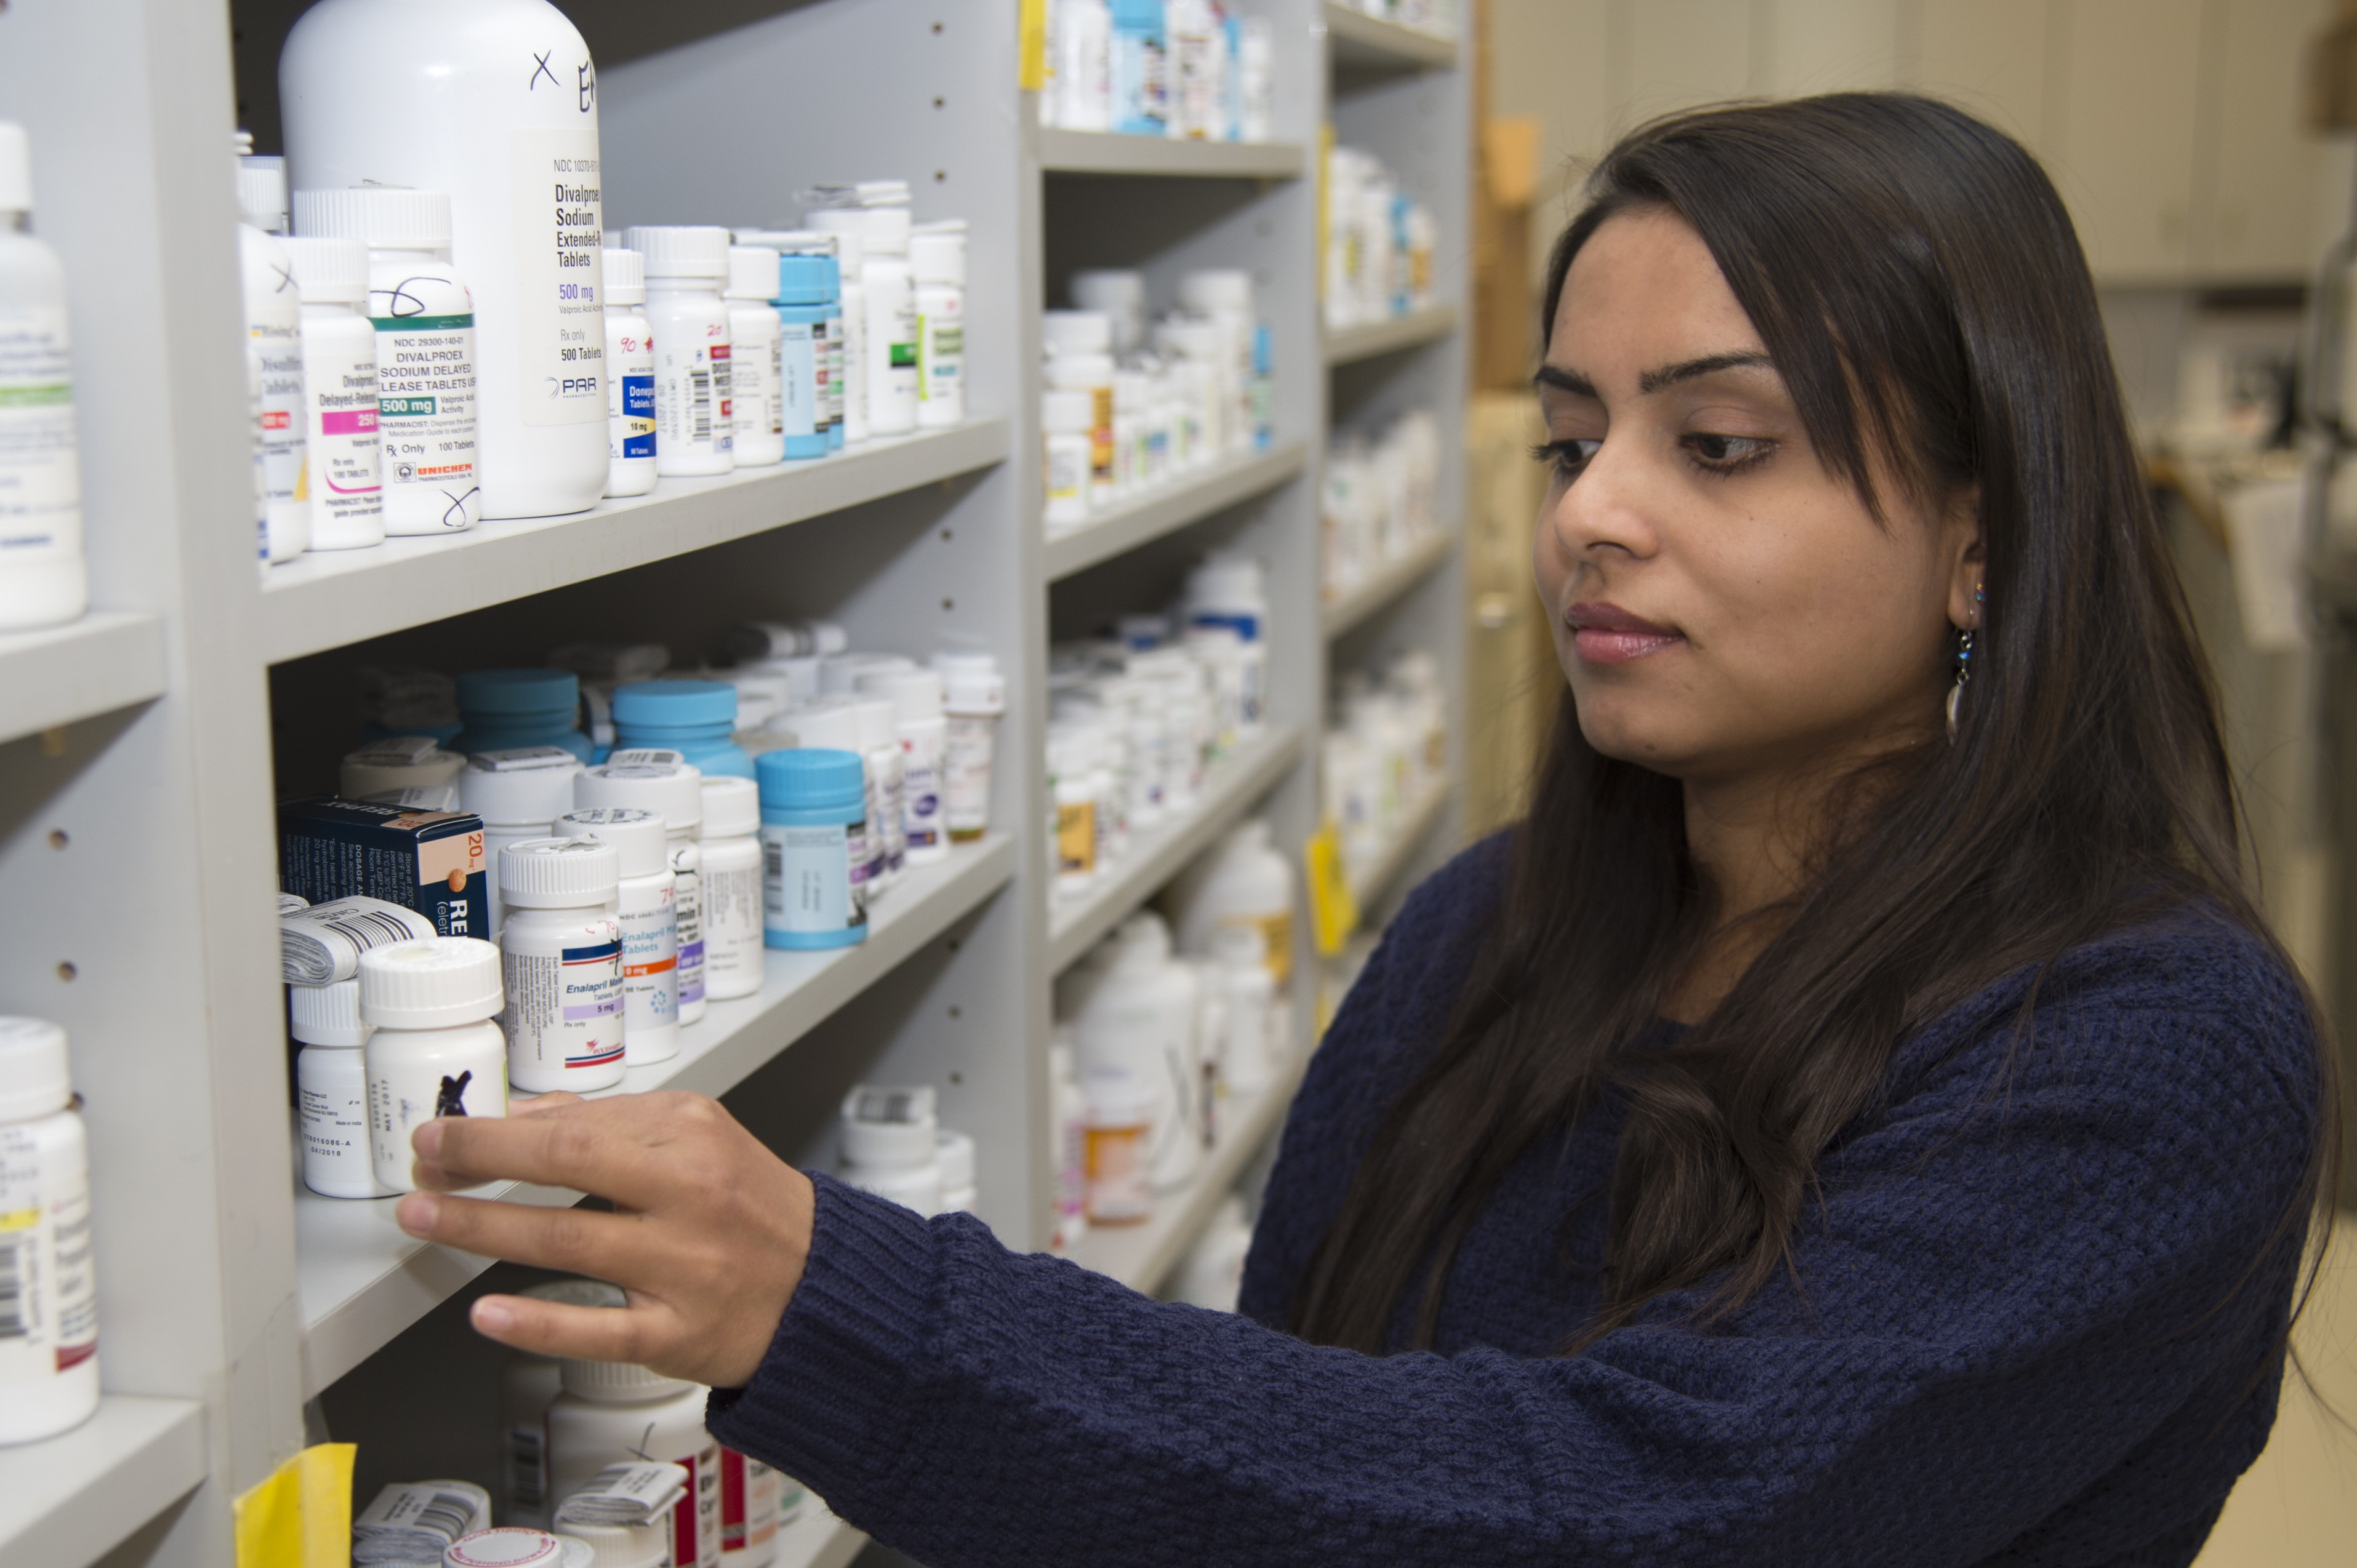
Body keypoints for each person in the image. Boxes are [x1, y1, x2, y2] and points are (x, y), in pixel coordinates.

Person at [393, 95, 2340, 1564]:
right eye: (1574, 437)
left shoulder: (2147, 1048)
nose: (1591, 513)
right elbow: (1302, 1431)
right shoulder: (1493, 932)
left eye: (1717, 445)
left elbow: (1644, 1505)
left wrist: (857, 1308)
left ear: (1986, 537)